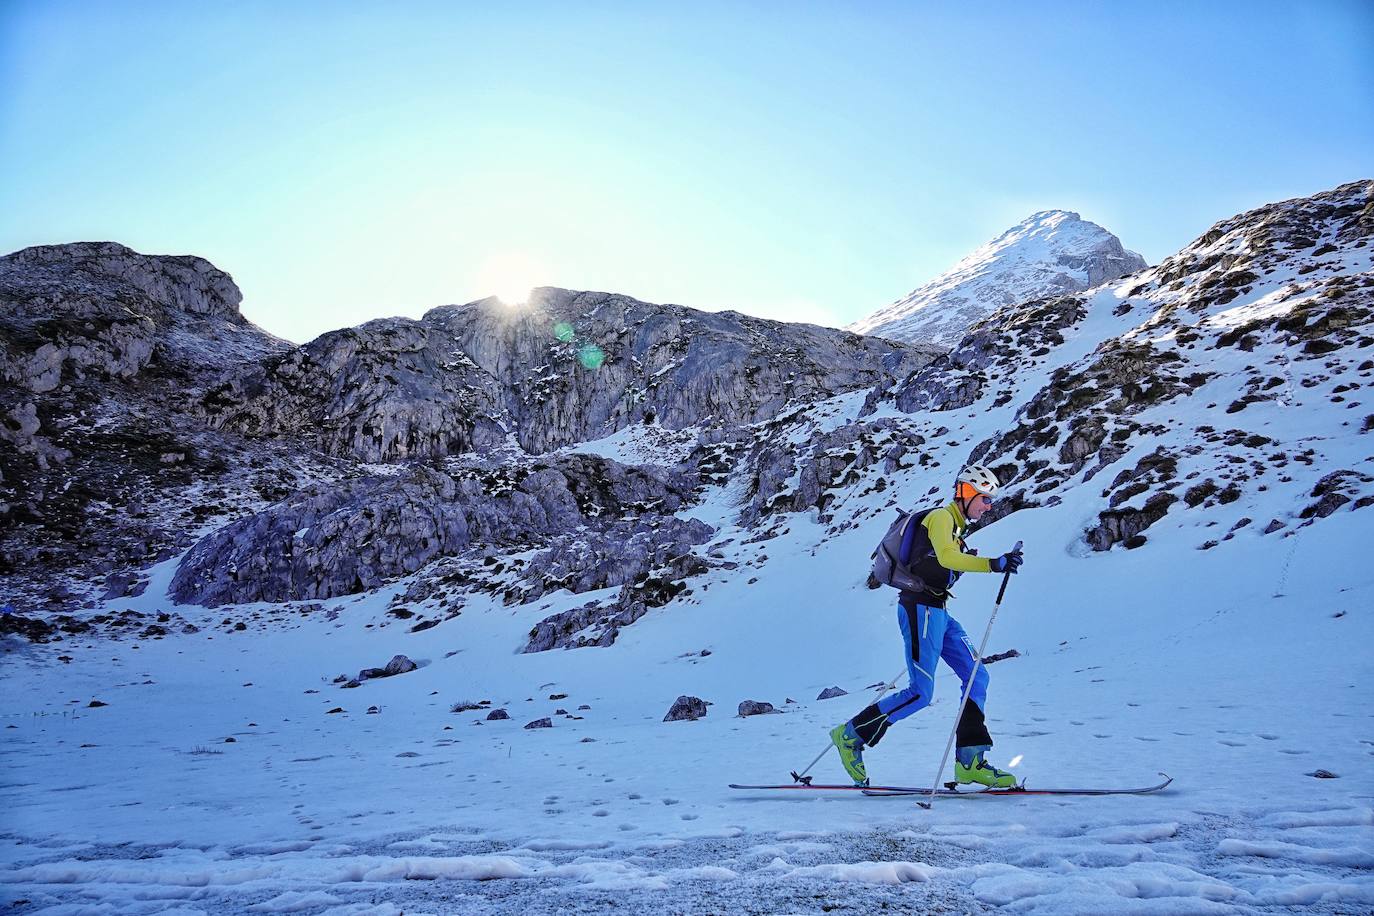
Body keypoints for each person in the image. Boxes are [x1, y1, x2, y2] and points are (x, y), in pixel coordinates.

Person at [829, 464, 1024, 787]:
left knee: (977, 675)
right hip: (919, 611)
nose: (988, 506)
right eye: (984, 499)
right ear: (965, 492)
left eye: (990, 501)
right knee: (921, 693)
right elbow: (947, 559)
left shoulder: (956, 529)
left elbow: (941, 565)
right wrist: (993, 564)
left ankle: (970, 762)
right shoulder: (942, 518)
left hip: (939, 612)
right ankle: (850, 736)